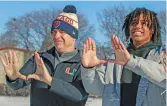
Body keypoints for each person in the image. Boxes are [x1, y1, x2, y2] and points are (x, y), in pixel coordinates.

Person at [0, 5, 88, 106]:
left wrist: (49, 80)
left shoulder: (83, 64)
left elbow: (80, 94)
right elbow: (18, 83)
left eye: (62, 32)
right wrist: (13, 77)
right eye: (54, 32)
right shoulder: (39, 59)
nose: (56, 36)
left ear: (73, 36)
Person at [81, 8, 166, 106]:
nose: (138, 26)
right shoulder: (115, 58)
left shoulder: (163, 55)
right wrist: (88, 69)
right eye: (134, 22)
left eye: (144, 23)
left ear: (152, 29)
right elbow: (95, 90)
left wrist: (131, 61)